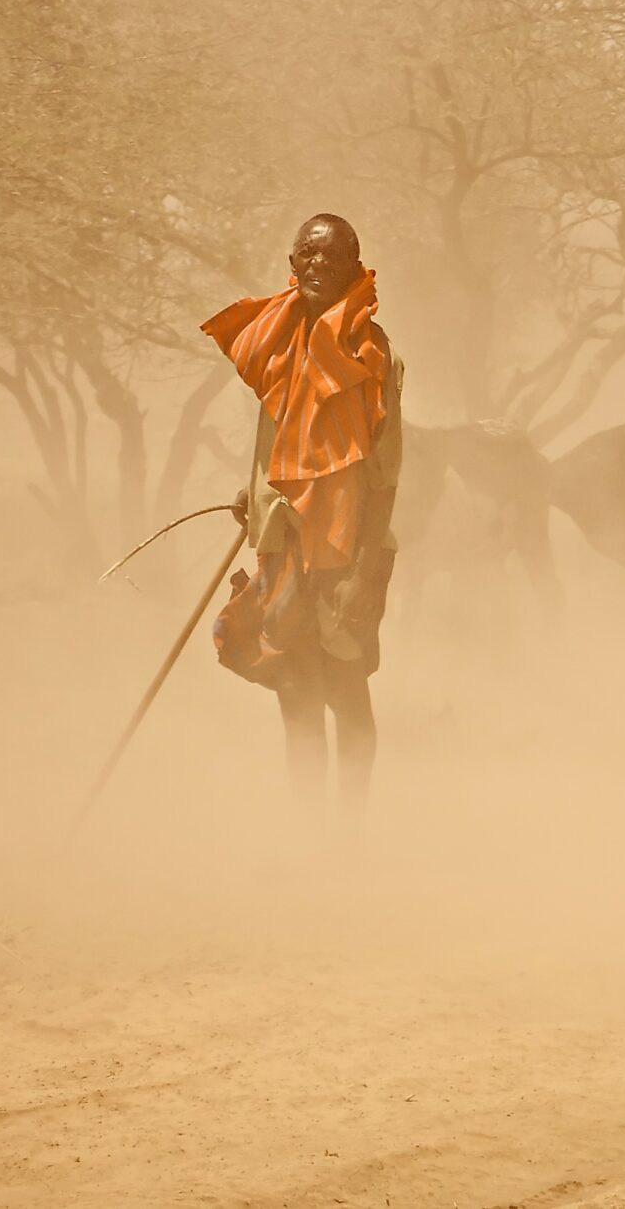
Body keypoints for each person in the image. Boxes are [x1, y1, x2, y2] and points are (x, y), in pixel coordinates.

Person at [201, 213, 402, 812]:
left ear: (353, 268)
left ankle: (349, 834)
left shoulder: (370, 349)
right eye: (307, 256)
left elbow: (385, 469)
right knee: (294, 687)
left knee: (345, 688)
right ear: (292, 264)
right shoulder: (275, 337)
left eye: (332, 258)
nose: (318, 267)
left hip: (347, 546)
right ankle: (312, 838)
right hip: (282, 538)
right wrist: (255, 491)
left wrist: (365, 566)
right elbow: (279, 429)